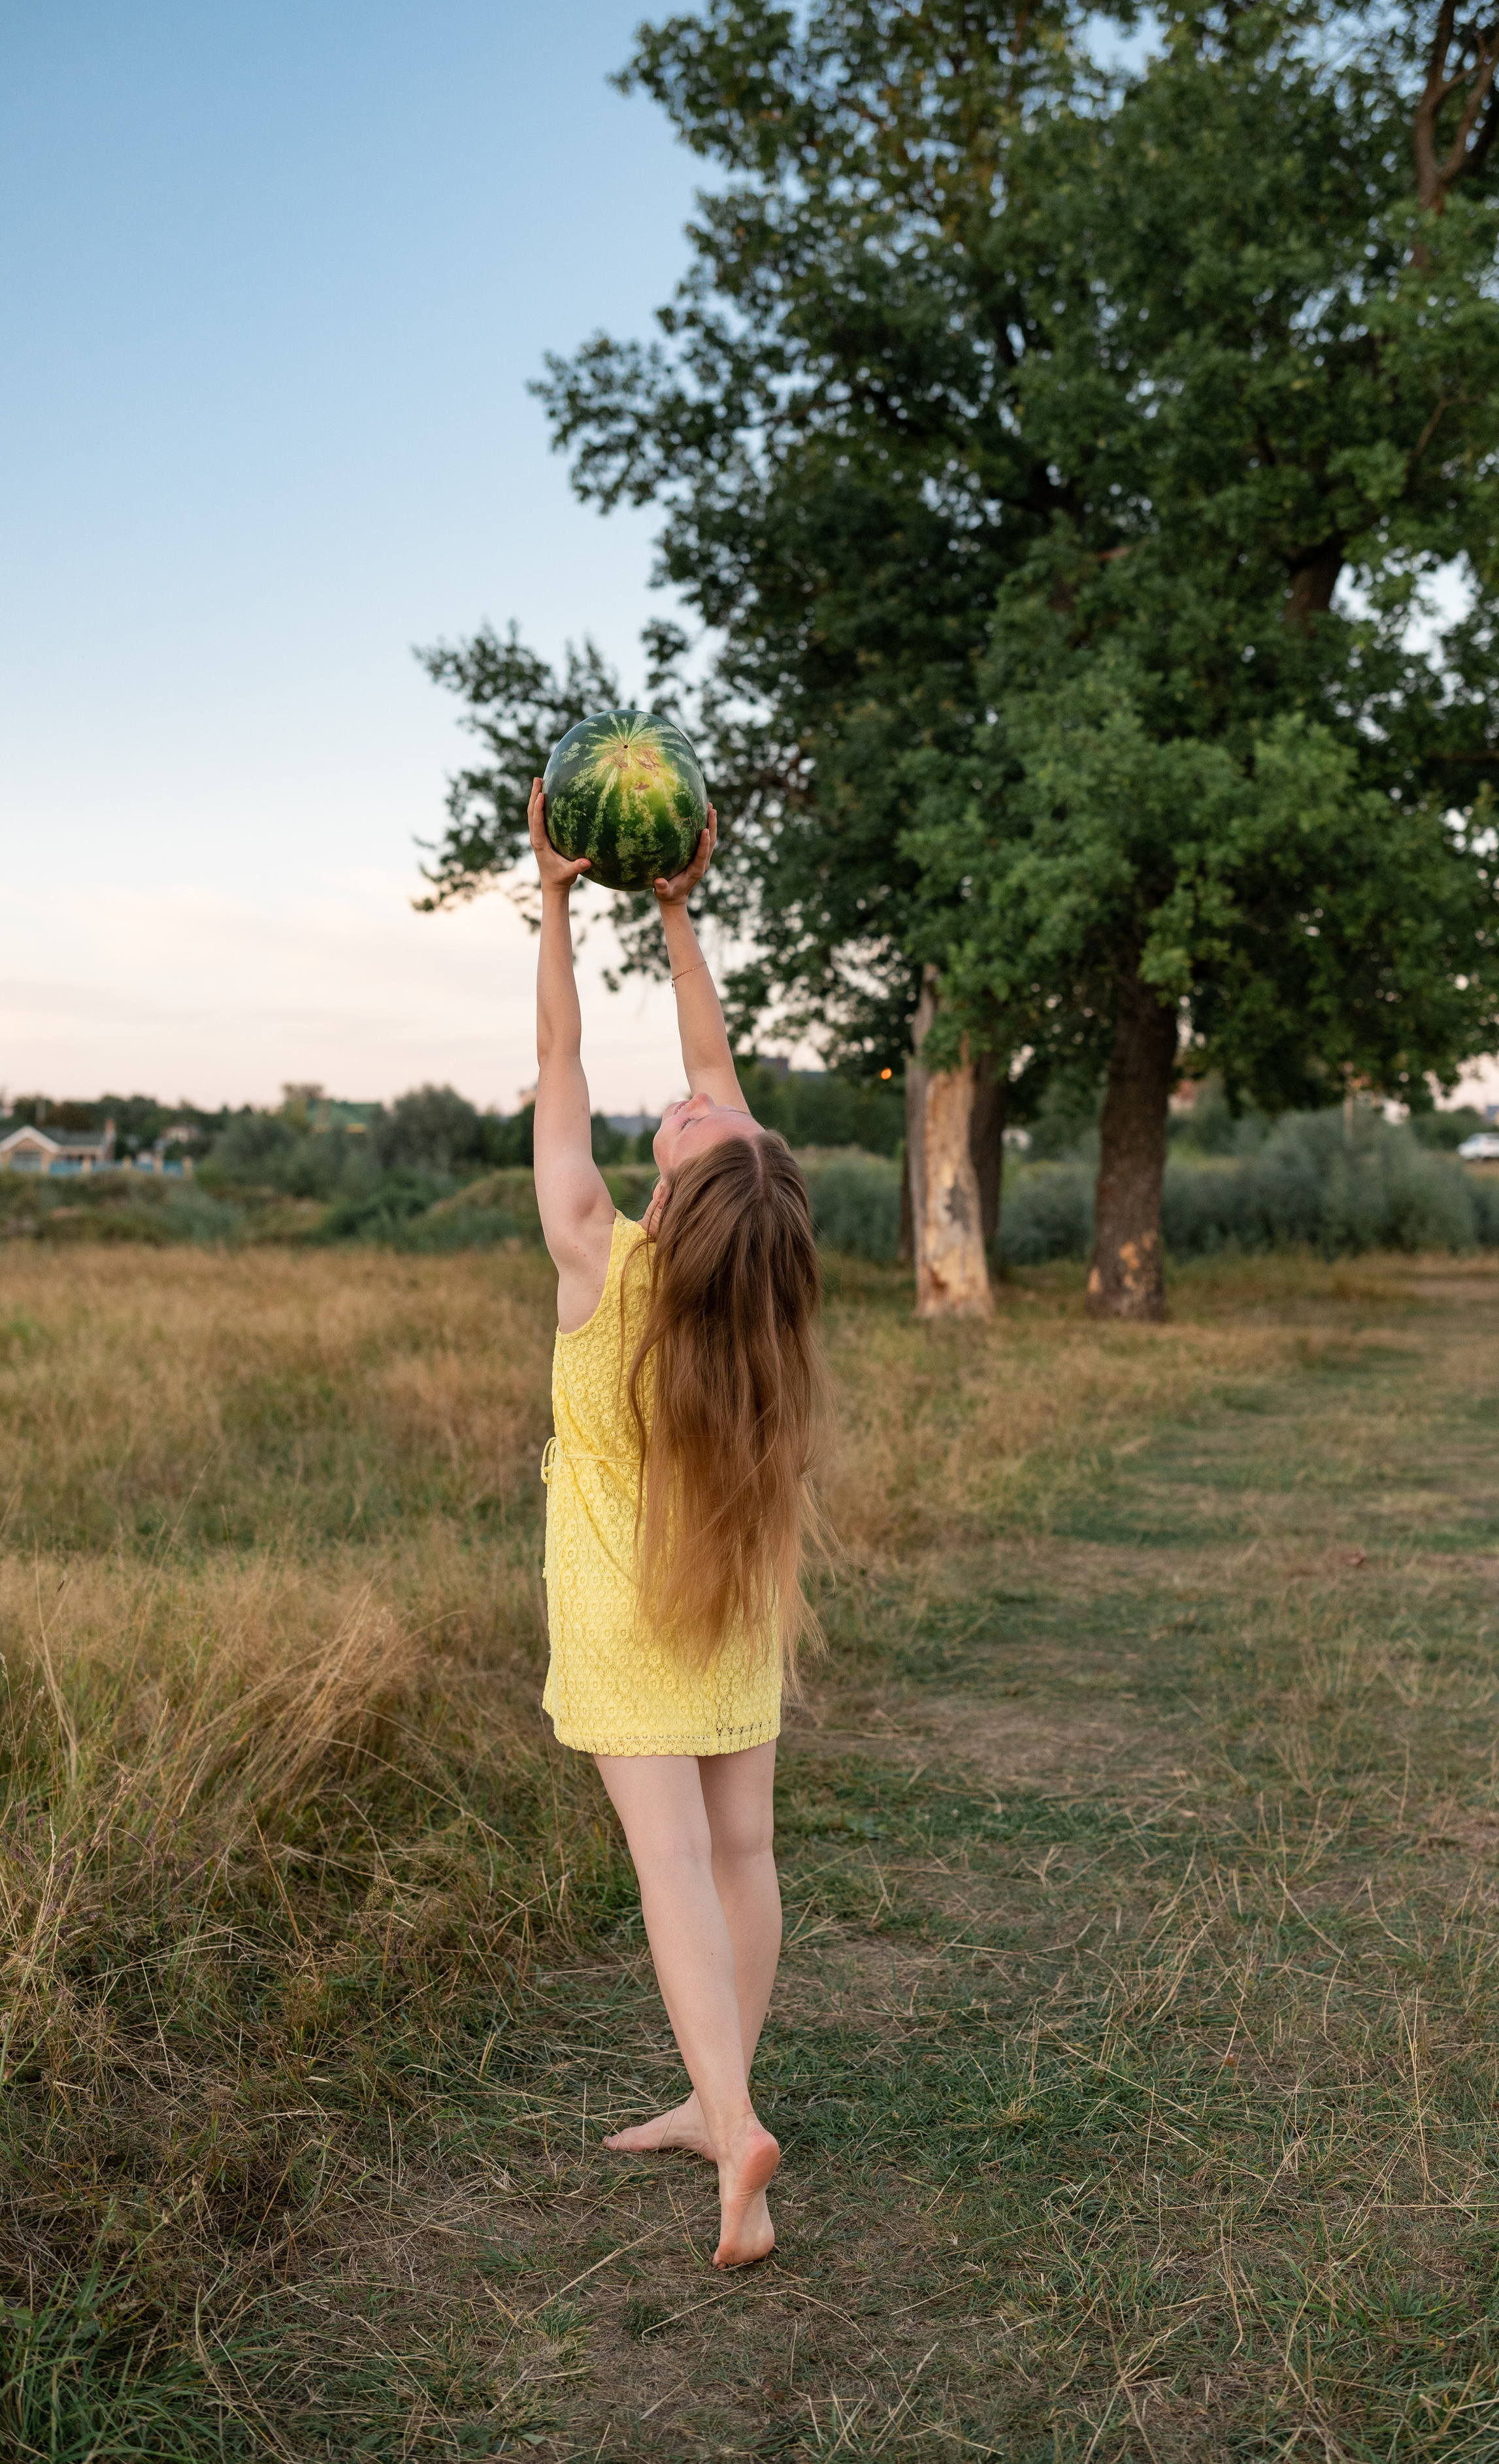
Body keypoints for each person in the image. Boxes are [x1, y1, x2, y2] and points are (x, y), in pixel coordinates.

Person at [525, 778, 825, 2269]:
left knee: (670, 1867)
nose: (703, 1093)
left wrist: (562, 902)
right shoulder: (760, 1280)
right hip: (729, 1593)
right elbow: (710, 1072)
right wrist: (676, 906)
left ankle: (731, 2123)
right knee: (743, 1849)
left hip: (623, 1603)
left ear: (684, 1190)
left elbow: (559, 1062)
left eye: (709, 1120)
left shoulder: (597, 1253)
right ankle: (724, 2106)